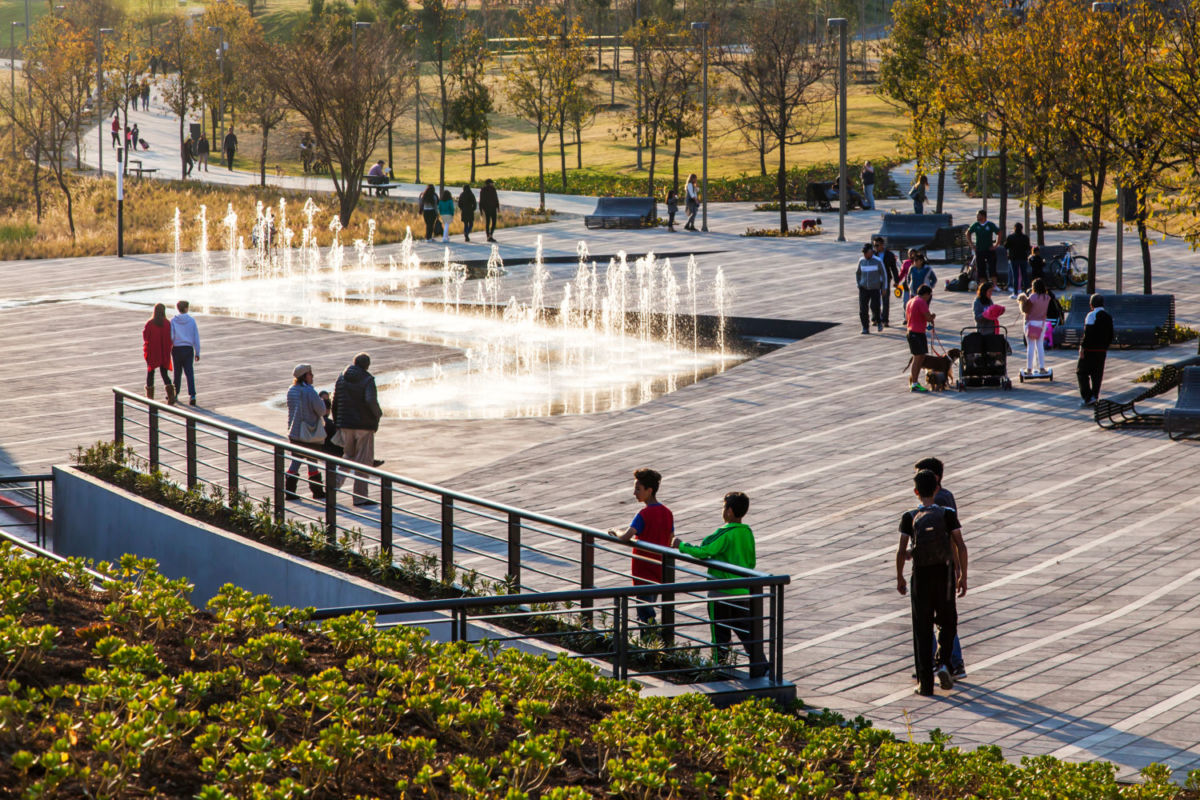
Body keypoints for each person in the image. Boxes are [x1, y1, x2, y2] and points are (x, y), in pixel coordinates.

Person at [672, 491, 766, 677]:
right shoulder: (747, 532)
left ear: (729, 511)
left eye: (723, 507)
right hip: (742, 591)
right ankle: (761, 665)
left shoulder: (725, 533)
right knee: (746, 632)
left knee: (720, 634)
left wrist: (681, 545)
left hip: (721, 592)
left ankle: (721, 669)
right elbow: (751, 561)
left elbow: (705, 550)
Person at [896, 469, 967, 696]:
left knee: (922, 629)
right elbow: (960, 545)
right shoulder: (947, 514)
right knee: (948, 622)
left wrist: (899, 577)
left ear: (916, 491)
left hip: (921, 577)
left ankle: (925, 684)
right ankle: (944, 663)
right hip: (944, 575)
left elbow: (901, 551)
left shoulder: (909, 517)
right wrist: (962, 575)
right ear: (936, 489)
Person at [913, 457, 966, 681]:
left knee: (932, 620)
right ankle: (949, 662)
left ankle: (944, 663)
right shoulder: (948, 496)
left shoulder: (936, 504)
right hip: (946, 566)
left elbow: (953, 539)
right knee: (945, 619)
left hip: (934, 568)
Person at [608, 468, 674, 626]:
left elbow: (626, 536)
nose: (634, 493)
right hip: (660, 568)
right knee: (649, 607)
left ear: (649, 491)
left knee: (644, 613)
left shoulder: (643, 514)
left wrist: (615, 531)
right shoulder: (667, 513)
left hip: (643, 570)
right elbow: (670, 539)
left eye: (638, 489)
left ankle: (649, 643)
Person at [332, 352, 383, 506]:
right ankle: (360, 496)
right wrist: (378, 415)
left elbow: (335, 401)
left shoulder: (341, 377)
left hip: (346, 424)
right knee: (363, 461)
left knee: (347, 456)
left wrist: (338, 421)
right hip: (363, 425)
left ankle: (333, 486)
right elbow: (370, 400)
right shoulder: (368, 380)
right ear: (367, 365)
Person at [285, 364, 328, 501]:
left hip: (294, 431)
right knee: (311, 460)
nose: (312, 376)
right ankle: (317, 490)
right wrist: (323, 400)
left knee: (297, 460)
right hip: (309, 432)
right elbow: (321, 411)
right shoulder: (309, 391)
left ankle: (290, 490)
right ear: (304, 376)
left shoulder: (291, 390)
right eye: (310, 374)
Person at [1077, 293, 1114, 408]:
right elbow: (1111, 335)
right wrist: (1105, 347)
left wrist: (1082, 347)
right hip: (1101, 350)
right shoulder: (1108, 316)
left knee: (1081, 372)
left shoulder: (1091, 315)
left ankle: (1087, 397)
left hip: (1090, 350)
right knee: (1097, 374)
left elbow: (1088, 334)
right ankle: (1095, 395)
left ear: (1091, 304)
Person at [142, 303, 175, 404]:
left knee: (150, 373)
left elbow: (145, 337)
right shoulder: (167, 323)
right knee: (164, 374)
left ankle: (150, 397)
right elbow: (171, 338)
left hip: (153, 351)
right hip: (163, 351)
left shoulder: (150, 323)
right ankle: (171, 397)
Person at [906, 284, 936, 393]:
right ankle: (914, 383)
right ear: (926, 294)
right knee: (918, 358)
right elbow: (928, 317)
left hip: (911, 331)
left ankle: (915, 382)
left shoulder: (911, 301)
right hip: (917, 333)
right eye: (929, 295)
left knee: (919, 357)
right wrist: (933, 316)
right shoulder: (921, 302)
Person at [1019, 278, 1052, 376]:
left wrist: (1023, 300)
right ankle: (1042, 367)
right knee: (1040, 345)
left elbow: (1026, 310)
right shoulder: (1047, 297)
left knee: (1031, 346)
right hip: (1041, 323)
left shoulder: (1033, 297)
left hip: (1031, 323)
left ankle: (1029, 369)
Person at [169, 300, 200, 406]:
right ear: (186, 308)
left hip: (177, 348)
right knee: (189, 372)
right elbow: (196, 337)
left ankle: (175, 393)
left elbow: (171, 336)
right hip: (188, 349)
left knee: (177, 373)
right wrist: (197, 352)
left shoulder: (173, 320)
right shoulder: (191, 321)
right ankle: (192, 395)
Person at [856, 243, 887, 334]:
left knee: (875, 307)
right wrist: (859, 284)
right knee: (863, 309)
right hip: (864, 289)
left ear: (871, 252)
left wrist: (884, 288)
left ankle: (879, 321)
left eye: (866, 252)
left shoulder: (878, 261)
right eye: (864, 253)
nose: (865, 254)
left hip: (875, 288)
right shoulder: (861, 261)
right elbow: (858, 273)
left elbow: (884, 275)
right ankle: (865, 327)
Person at [968, 209, 1002, 283]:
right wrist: (971, 244)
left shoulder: (990, 224)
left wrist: (996, 245)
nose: (977, 217)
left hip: (989, 249)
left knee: (992, 268)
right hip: (979, 250)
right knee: (981, 269)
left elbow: (999, 232)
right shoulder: (976, 225)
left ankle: (994, 285)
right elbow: (968, 233)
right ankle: (983, 285)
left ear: (983, 216)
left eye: (978, 215)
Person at [873, 236, 900, 328]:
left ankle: (885, 320)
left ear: (882, 245)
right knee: (875, 300)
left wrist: (897, 280)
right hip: (875, 280)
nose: (875, 247)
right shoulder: (873, 254)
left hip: (885, 280)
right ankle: (876, 318)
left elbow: (894, 268)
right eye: (874, 246)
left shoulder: (889, 255)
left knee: (885, 300)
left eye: (877, 245)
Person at [1004, 222, 1031, 298]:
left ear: (1014, 228)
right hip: (1023, 258)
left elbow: (1006, 246)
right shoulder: (1025, 237)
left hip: (1014, 258)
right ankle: (1026, 292)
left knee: (1015, 276)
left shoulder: (1011, 237)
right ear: (1022, 229)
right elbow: (1028, 248)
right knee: (1024, 275)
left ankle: (1015, 292)